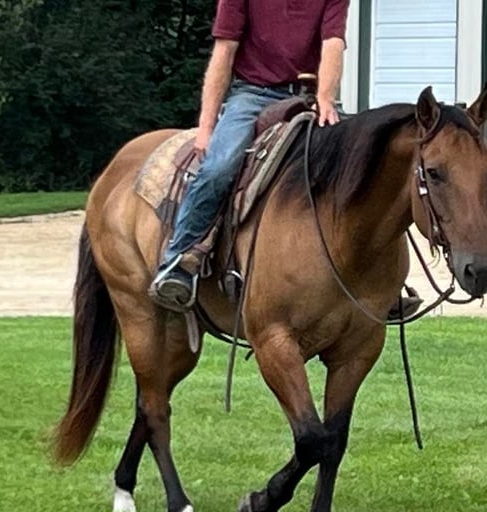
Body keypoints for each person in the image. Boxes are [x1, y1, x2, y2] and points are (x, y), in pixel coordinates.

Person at [150, 0, 350, 312]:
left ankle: (374, 279)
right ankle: (178, 262)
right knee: (219, 167)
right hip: (254, 94)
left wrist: (325, 98)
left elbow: (333, 42)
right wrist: (207, 126)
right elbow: (224, 52)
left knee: (362, 159)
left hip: (309, 94)